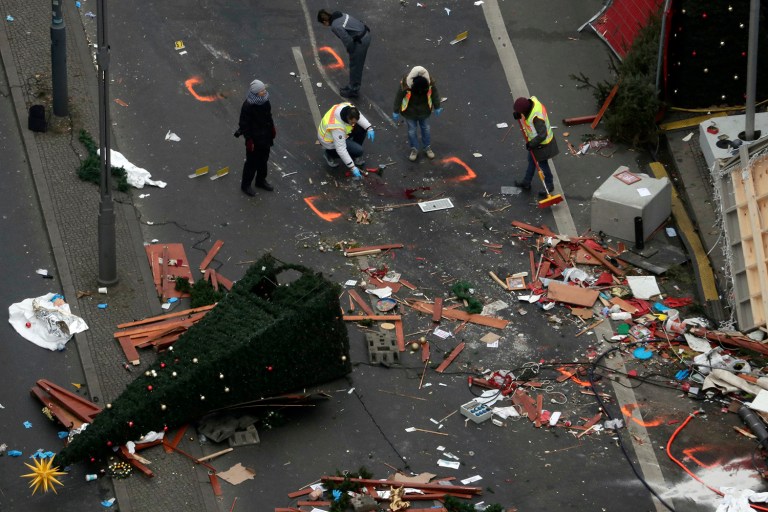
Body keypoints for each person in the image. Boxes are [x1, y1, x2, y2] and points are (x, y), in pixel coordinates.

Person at [317, 9, 371, 99]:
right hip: (364, 34)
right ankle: (351, 86)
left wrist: (351, 51)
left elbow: (348, 41)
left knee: (355, 66)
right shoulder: (340, 15)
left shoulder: (335, 26)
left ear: (325, 21)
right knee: (355, 65)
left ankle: (353, 90)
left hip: (361, 41)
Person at [392, 66, 443, 162]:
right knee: (412, 131)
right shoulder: (405, 85)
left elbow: (434, 94)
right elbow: (398, 97)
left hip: (424, 111)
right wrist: (395, 110)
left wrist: (437, 106)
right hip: (410, 112)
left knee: (426, 129)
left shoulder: (429, 84)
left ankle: (427, 147)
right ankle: (414, 149)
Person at [512, 96, 560, 197]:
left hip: (542, 145)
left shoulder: (536, 118)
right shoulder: (531, 102)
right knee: (531, 161)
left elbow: (542, 135)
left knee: (542, 164)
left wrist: (531, 144)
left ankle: (549, 184)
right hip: (536, 143)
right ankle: (527, 182)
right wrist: (519, 114)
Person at [234, 79, 275, 195]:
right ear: (256, 93)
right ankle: (245, 185)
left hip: (265, 137)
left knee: (263, 161)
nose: (264, 91)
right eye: (262, 90)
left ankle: (260, 181)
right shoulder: (248, 106)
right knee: (251, 163)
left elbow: (269, 116)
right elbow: (244, 124)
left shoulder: (265, 100)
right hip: (255, 140)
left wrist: (272, 128)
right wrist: (249, 139)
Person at [317, 102, 375, 179]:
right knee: (359, 151)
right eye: (352, 122)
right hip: (330, 142)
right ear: (348, 118)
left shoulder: (348, 108)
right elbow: (341, 149)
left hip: (341, 134)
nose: (354, 124)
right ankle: (329, 154)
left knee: (362, 128)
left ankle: (354, 153)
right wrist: (352, 167)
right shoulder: (337, 127)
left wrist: (369, 128)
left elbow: (359, 117)